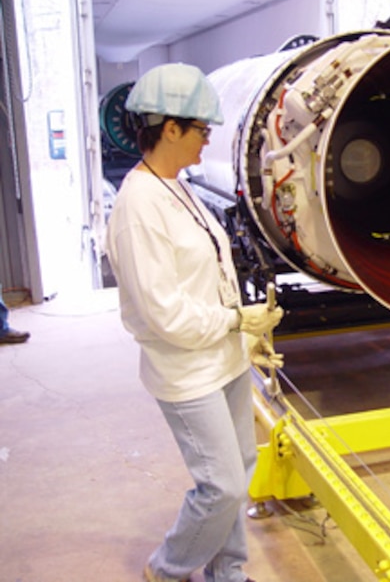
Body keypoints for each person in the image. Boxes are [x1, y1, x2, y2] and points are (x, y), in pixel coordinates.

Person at [106, 63, 282, 582]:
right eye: (202, 130)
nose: (208, 140)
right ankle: (167, 568)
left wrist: (244, 338)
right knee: (221, 486)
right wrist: (236, 321)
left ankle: (227, 572)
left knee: (241, 469)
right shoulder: (139, 208)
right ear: (170, 128)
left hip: (220, 360)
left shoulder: (177, 186)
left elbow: (212, 270)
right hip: (186, 372)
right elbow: (167, 315)